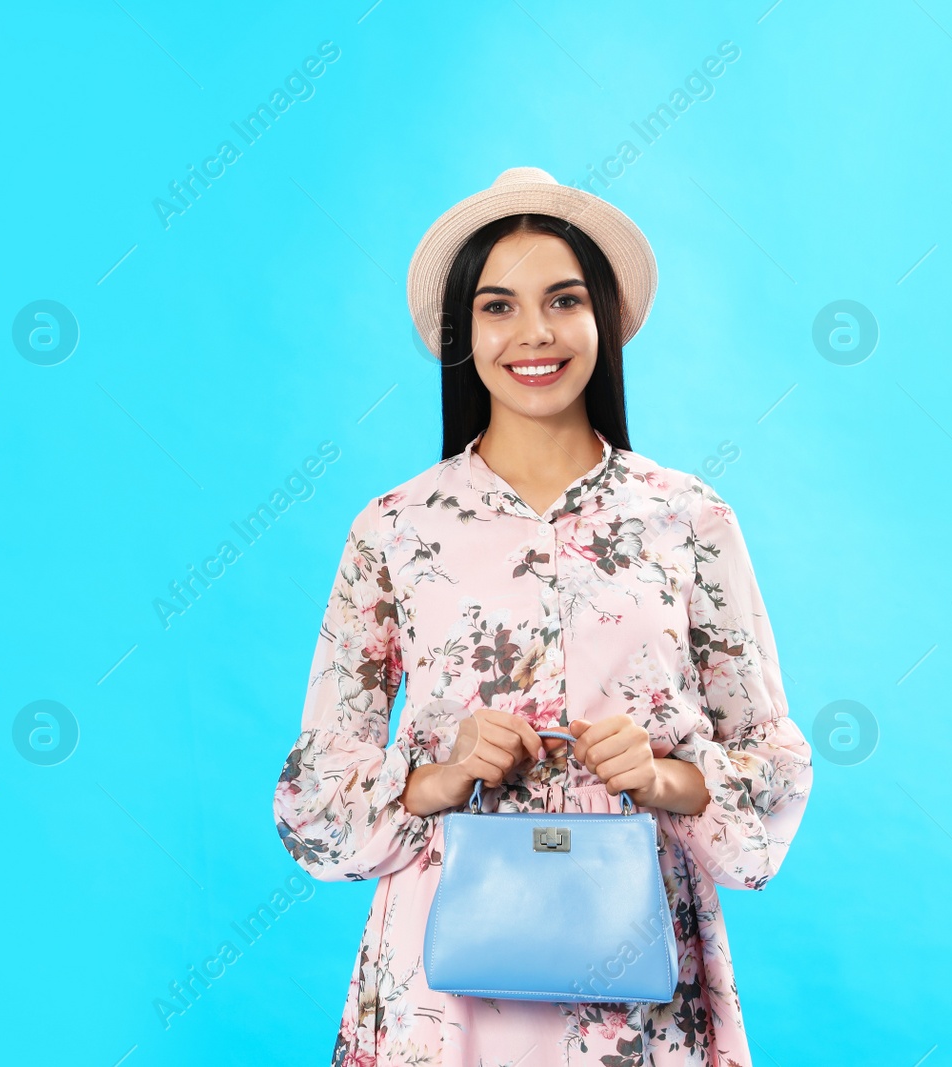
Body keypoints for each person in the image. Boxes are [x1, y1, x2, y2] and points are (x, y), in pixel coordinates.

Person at [272, 167, 813, 1066]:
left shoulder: (691, 517)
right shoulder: (394, 527)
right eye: (497, 306)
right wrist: (434, 778)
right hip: (445, 980)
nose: (534, 333)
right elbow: (315, 800)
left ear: (602, 316)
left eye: (563, 300)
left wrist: (669, 775)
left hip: (640, 959)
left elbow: (771, 763)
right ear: (462, 332)